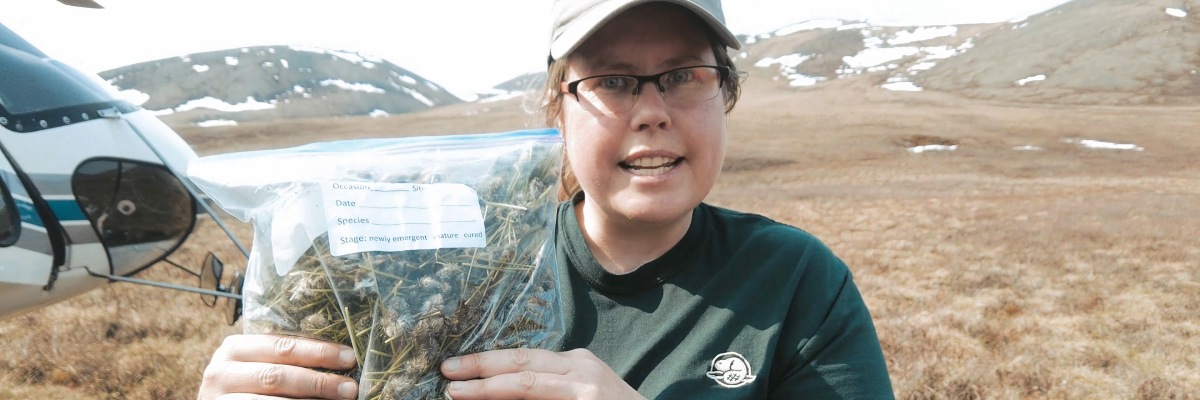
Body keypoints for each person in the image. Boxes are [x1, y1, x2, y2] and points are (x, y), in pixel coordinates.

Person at [198, 0, 894, 398]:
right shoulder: (447, 277)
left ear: (726, 94)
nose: (651, 111)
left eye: (682, 75)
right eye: (614, 81)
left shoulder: (797, 283)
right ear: (557, 108)